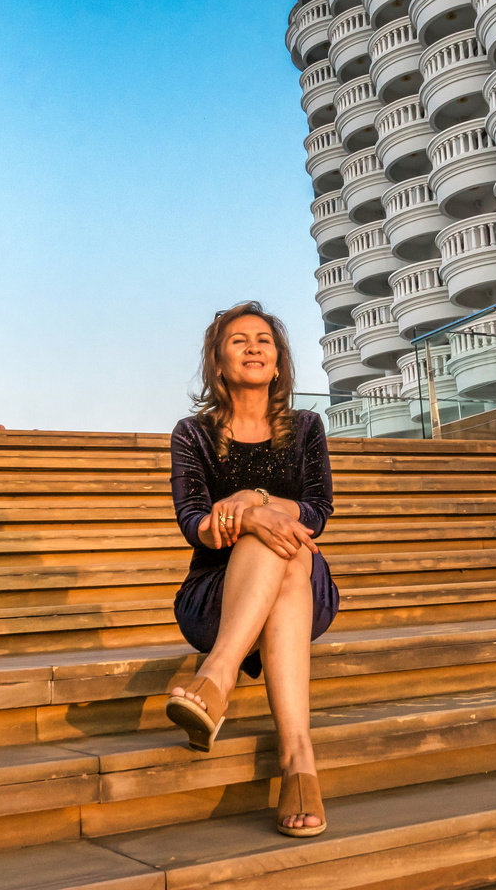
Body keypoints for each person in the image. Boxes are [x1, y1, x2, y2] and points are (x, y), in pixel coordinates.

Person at [165, 302, 338, 837]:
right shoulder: (191, 435)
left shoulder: (307, 428)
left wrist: (255, 501)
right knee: (279, 545)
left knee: (285, 545)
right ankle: (299, 761)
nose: (254, 347)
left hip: (307, 584)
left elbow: (318, 512)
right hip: (215, 594)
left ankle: (217, 677)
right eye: (239, 340)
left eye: (264, 340)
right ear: (217, 363)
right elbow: (193, 521)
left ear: (280, 363)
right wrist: (252, 520)